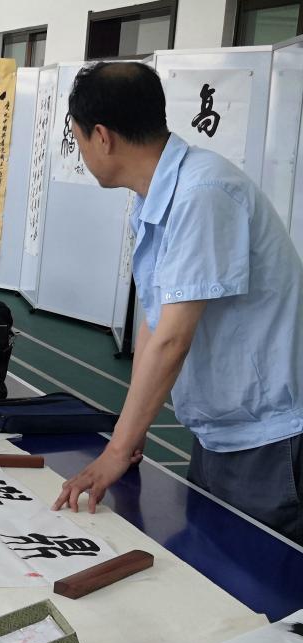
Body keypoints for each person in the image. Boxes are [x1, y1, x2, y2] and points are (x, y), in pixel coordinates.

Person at [51, 62, 303, 545]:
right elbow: (156, 319)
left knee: (254, 573)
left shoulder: (202, 194)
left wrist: (117, 451)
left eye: (79, 139)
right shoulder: (157, 195)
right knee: (213, 562)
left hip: (269, 437)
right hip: (220, 428)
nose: (82, 151)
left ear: (101, 136)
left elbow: (172, 339)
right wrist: (132, 428)